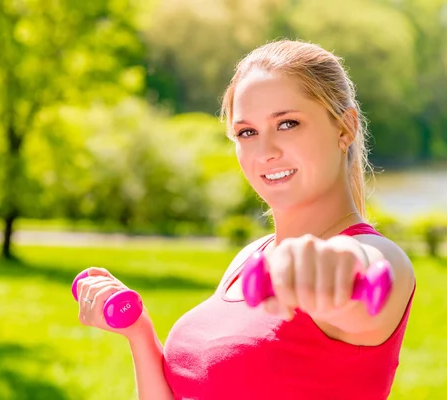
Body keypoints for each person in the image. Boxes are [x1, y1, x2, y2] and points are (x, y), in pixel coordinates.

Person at [75, 39, 416, 400]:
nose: (265, 152)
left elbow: (365, 280)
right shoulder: (248, 259)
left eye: (287, 123)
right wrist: (139, 334)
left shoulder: (377, 255)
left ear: (344, 128)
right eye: (247, 132)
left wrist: (331, 268)